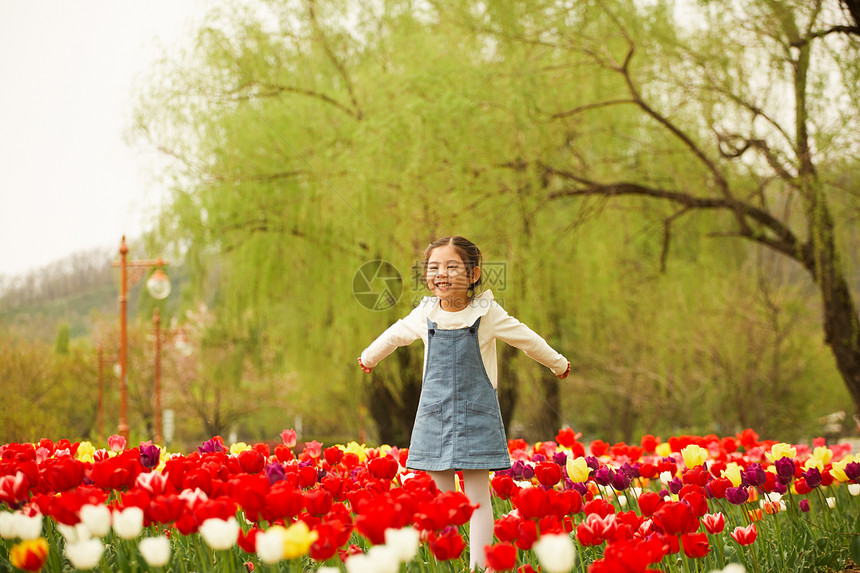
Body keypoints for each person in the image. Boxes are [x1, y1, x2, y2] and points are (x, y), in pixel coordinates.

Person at [358, 235, 570, 570]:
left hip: (476, 414)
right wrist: (369, 357)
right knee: (440, 500)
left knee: (477, 497)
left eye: (451, 266)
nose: (441, 274)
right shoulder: (425, 312)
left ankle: (480, 567)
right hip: (435, 414)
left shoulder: (486, 313)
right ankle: (446, 562)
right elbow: (396, 335)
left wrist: (558, 363)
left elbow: (527, 339)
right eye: (434, 267)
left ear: (472, 275)